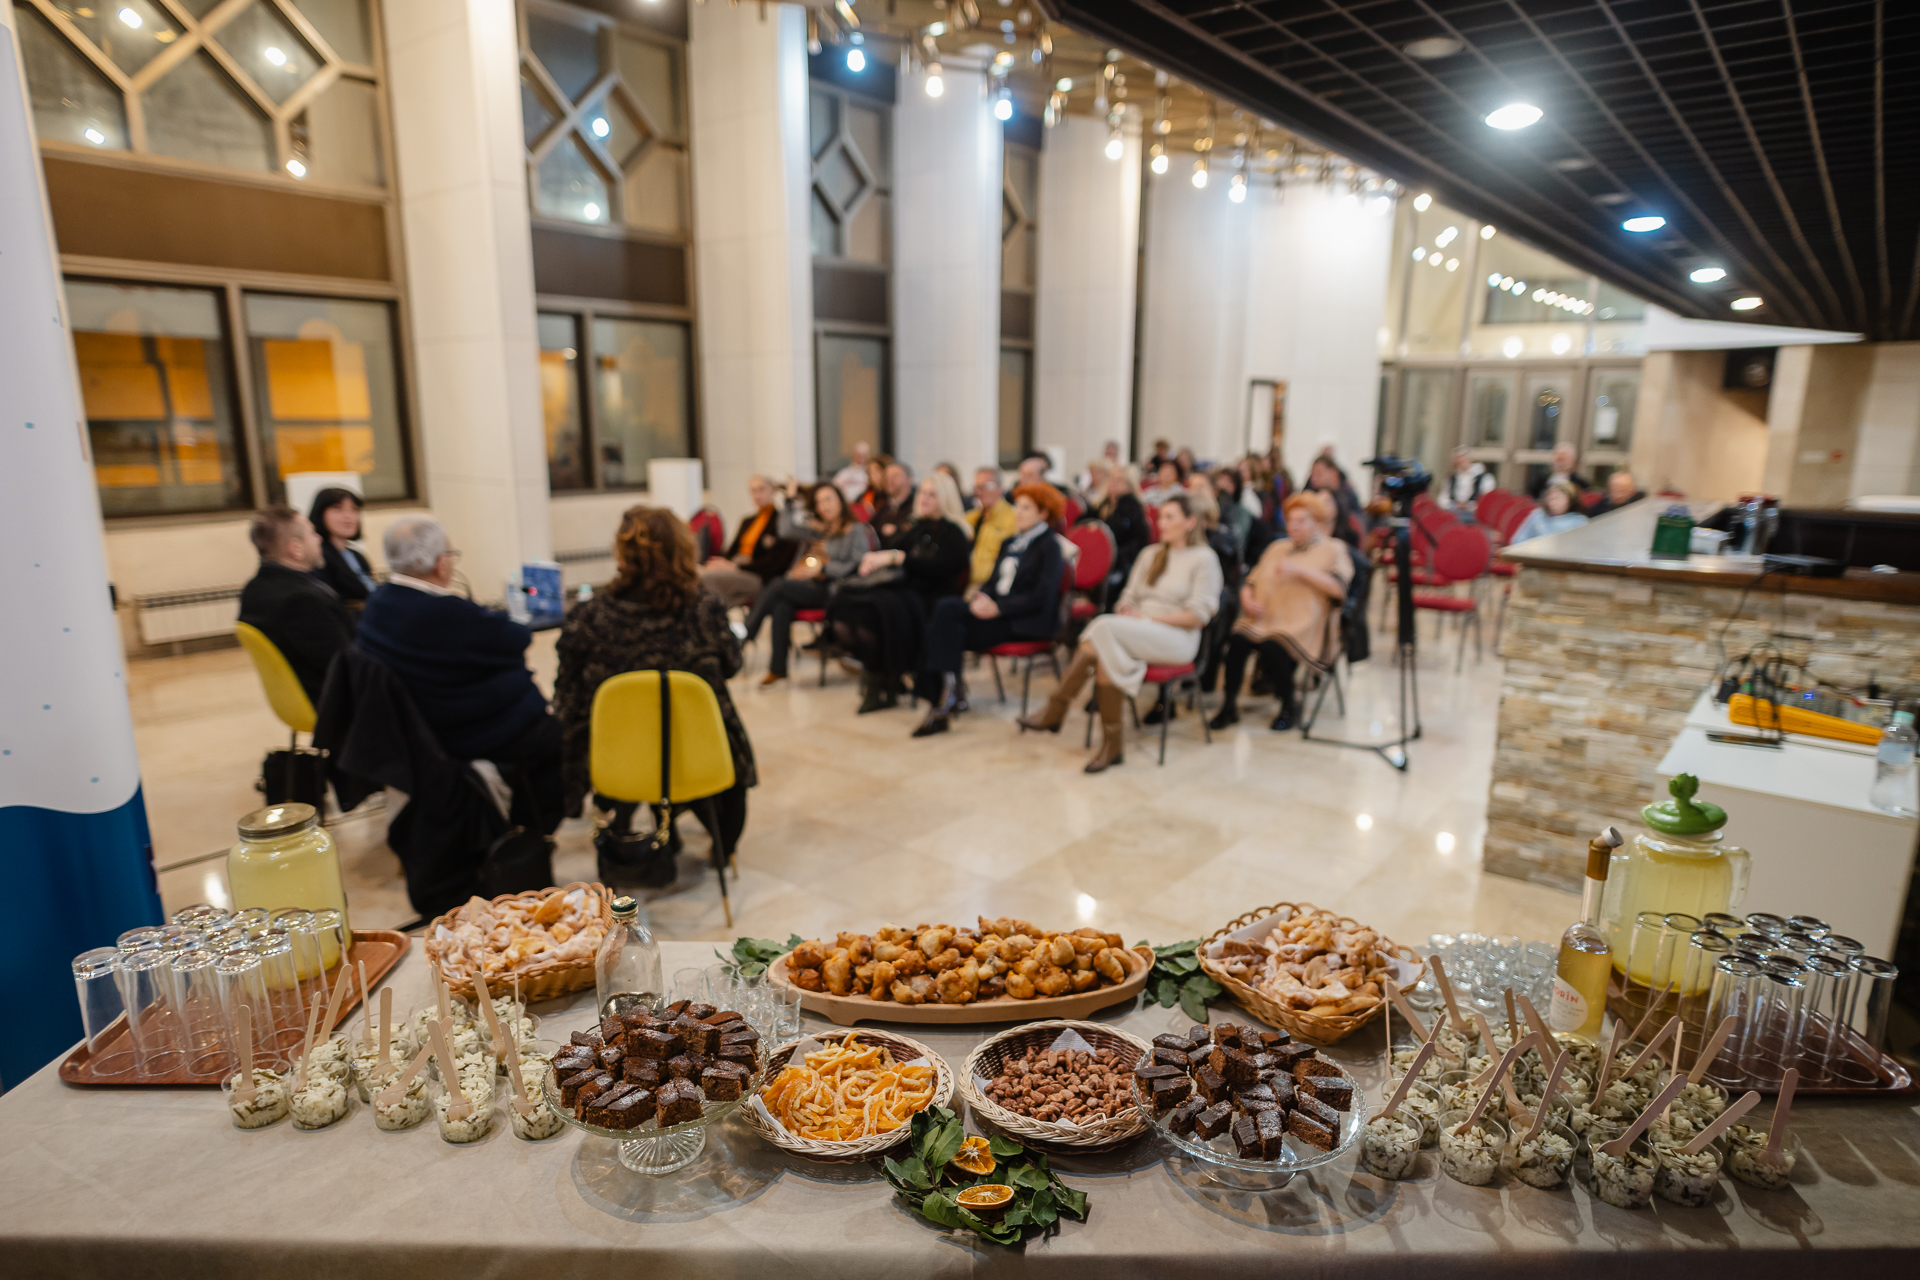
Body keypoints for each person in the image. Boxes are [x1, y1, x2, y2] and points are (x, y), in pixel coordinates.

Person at [555, 506, 757, 887]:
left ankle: (632, 824)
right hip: (699, 756)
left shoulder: (590, 617)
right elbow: (732, 664)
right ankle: (720, 843)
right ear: (684, 550)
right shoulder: (705, 610)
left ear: (622, 555)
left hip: (619, 760)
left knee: (632, 731)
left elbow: (567, 699)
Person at [357, 516, 563, 837]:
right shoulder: (447, 613)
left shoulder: (377, 604)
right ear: (441, 564)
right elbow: (517, 638)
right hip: (456, 731)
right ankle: (528, 834)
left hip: (409, 728)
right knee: (551, 734)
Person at [1017, 493, 1223, 773]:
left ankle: (1057, 708)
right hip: (1137, 631)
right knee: (1105, 649)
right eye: (1160, 516)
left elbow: (1197, 617)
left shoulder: (1204, 559)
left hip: (1177, 638)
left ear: (1190, 522)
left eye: (1169, 517)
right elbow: (1128, 596)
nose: (1161, 523)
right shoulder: (1151, 554)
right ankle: (1111, 745)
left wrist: (1146, 618)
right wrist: (1126, 609)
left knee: (1103, 628)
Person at [911, 484, 1065, 738]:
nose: (1018, 512)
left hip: (1025, 620)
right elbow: (993, 582)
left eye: (1026, 508)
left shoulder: (1050, 546)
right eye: (1017, 506)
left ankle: (946, 698)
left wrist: (999, 608)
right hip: (997, 613)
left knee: (945, 626)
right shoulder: (1010, 542)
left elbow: (1041, 596)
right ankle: (947, 695)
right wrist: (982, 598)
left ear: (1043, 513)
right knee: (946, 611)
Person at [828, 472, 973, 713]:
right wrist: (879, 559)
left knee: (877, 609)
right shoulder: (917, 526)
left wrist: (898, 558)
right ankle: (883, 676)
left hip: (933, 598)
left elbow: (940, 569)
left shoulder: (955, 532)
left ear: (945, 498)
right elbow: (895, 553)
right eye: (922, 492)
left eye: (932, 494)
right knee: (850, 604)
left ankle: (882, 681)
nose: (924, 498)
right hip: (906, 592)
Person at [1209, 491, 1352, 732]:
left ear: (1317, 523)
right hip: (1266, 618)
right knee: (1237, 640)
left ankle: (1289, 706)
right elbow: (1251, 581)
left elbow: (1338, 589)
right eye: (1290, 520)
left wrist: (1299, 570)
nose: (1294, 526)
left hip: (1303, 623)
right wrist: (1247, 599)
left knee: (1273, 646)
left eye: (1301, 521)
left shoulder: (1333, 549)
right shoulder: (1277, 547)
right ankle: (1229, 705)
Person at [740, 482, 876, 686]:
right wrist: (789, 500)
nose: (824, 506)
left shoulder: (855, 530)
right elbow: (785, 530)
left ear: (840, 501)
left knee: (778, 584)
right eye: (819, 502)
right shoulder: (820, 529)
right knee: (781, 605)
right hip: (812, 586)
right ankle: (777, 669)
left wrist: (822, 569)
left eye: (828, 499)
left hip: (835, 590)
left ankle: (744, 636)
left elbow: (857, 565)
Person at [238, 505, 354, 707]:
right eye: (313, 534)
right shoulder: (303, 600)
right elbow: (348, 665)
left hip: (300, 698)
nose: (319, 539)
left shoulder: (253, 590)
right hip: (335, 703)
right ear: (296, 549)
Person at [700, 475, 798, 609]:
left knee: (708, 579)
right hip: (736, 566)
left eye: (761, 489)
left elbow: (773, 563)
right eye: (753, 491)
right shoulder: (747, 521)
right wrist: (721, 563)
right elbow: (732, 551)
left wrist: (735, 567)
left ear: (773, 491)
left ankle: (713, 614)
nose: (757, 495)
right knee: (698, 573)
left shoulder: (780, 523)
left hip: (756, 574)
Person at [307, 488, 378, 605]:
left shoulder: (357, 555)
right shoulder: (318, 557)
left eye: (354, 510)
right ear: (320, 513)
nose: (348, 516)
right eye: (337, 509)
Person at [1094, 466, 1150, 583]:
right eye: (1111, 479)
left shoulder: (1131, 506)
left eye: (1119, 480)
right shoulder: (1102, 504)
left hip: (1124, 563)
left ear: (1129, 486)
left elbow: (1115, 533)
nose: (1113, 483)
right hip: (1103, 556)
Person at [965, 467, 1019, 587]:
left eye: (983, 487)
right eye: (976, 488)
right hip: (968, 584)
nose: (978, 493)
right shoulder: (970, 518)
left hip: (995, 586)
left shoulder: (1014, 519)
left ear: (999, 488)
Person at [1307, 456, 1362, 547]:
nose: (1313, 478)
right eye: (1312, 474)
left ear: (1333, 473)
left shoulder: (1348, 496)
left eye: (1319, 474)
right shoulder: (1311, 493)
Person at [1511, 481, 1589, 543]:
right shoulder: (1537, 515)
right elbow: (1518, 540)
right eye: (1551, 498)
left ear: (1570, 500)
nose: (1553, 503)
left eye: (1558, 498)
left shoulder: (1579, 521)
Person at [870, 459, 917, 541]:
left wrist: (897, 530)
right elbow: (871, 528)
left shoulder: (916, 506)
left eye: (895, 476)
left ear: (909, 480)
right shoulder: (883, 506)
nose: (889, 480)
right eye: (886, 477)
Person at [1528, 442, 1592, 499]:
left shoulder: (1580, 484)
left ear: (1572, 461)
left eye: (1563, 460)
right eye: (1558, 459)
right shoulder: (1540, 481)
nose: (1560, 464)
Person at [833, 442, 872, 506]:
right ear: (853, 455)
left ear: (868, 456)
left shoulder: (870, 474)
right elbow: (834, 489)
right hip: (846, 505)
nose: (861, 458)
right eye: (858, 455)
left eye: (864, 455)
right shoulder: (844, 473)